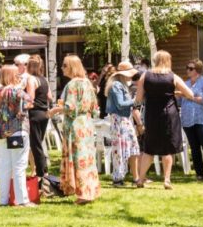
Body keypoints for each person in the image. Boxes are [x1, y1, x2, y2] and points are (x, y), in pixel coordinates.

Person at [135, 51, 196, 190]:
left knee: (149, 148)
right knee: (167, 148)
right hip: (169, 114)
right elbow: (190, 94)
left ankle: (140, 179)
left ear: (155, 61)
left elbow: (138, 98)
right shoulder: (172, 76)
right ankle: (167, 180)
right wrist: (174, 93)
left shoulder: (145, 75)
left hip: (152, 115)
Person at [49, 54, 101, 204]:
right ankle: (90, 191)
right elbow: (95, 108)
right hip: (87, 124)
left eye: (64, 65)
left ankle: (84, 194)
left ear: (71, 67)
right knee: (87, 159)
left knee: (79, 159)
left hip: (75, 125)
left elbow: (70, 107)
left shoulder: (72, 84)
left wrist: (55, 110)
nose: (61, 68)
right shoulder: (87, 83)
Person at [0, 64, 35, 206]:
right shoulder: (17, 91)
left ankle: (3, 200)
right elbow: (30, 100)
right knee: (19, 166)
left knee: (4, 166)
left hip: (0, 131)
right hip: (17, 129)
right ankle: (22, 200)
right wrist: (22, 85)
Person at [106, 61, 142, 186]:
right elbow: (120, 104)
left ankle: (135, 177)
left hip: (124, 120)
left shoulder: (121, 85)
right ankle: (118, 178)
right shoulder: (116, 85)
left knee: (132, 148)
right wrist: (135, 100)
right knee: (121, 149)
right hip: (120, 120)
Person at [21, 54, 51, 185]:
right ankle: (44, 171)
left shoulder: (31, 79)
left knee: (35, 145)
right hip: (45, 114)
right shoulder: (44, 79)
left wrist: (20, 93)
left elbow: (30, 98)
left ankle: (41, 174)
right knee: (39, 143)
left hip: (34, 114)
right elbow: (50, 96)